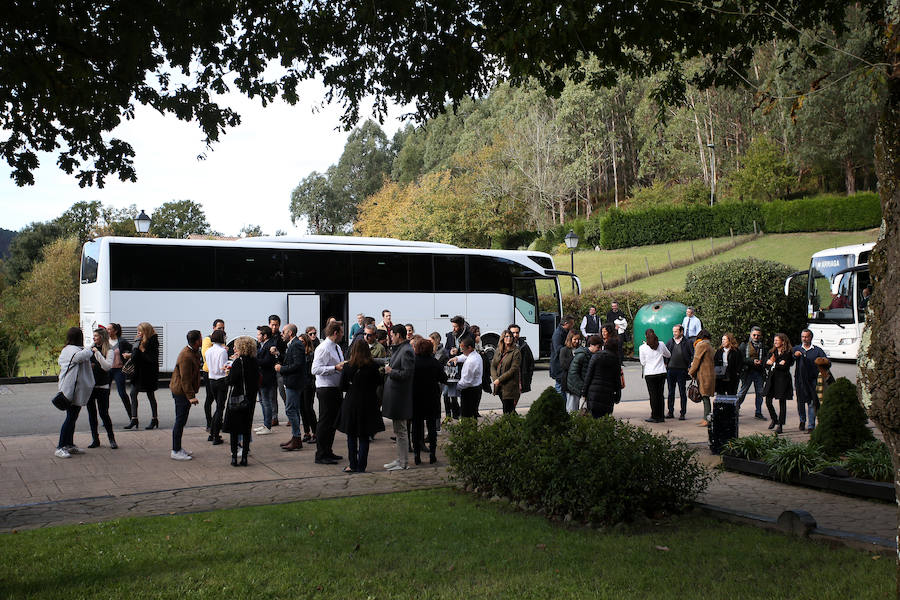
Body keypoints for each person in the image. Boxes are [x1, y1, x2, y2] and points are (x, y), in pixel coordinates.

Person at [338, 341, 385, 473]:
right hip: (368, 402)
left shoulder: (348, 366)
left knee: (351, 436)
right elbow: (379, 382)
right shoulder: (373, 366)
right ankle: (361, 466)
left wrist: (353, 387)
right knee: (364, 436)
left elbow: (342, 386)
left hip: (352, 402)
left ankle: (353, 464)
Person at [55, 327, 94, 458]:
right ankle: (60, 446)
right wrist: (91, 347)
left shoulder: (69, 349)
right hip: (70, 390)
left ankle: (69, 444)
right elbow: (82, 356)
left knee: (73, 418)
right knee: (70, 418)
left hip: (73, 389)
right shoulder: (71, 350)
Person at [310, 320, 346, 463]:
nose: (343, 334)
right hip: (326, 389)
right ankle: (321, 454)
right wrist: (335, 368)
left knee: (332, 422)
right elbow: (315, 369)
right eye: (342, 332)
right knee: (325, 422)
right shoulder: (324, 348)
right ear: (336, 333)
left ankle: (328, 450)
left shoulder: (335, 347)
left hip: (335, 388)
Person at [381, 324, 415, 471]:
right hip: (396, 396)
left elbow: (407, 374)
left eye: (392, 335)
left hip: (400, 397)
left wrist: (390, 371)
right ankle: (400, 459)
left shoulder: (407, 350)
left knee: (401, 431)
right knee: (398, 431)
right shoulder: (401, 349)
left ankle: (403, 462)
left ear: (398, 335)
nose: (391, 337)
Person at [224, 336, 260, 467]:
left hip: (237, 398)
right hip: (250, 398)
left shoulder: (238, 362)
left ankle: (234, 457)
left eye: (236, 346)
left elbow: (231, 381)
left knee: (234, 429)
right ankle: (244, 457)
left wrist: (227, 373)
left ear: (242, 347)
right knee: (246, 428)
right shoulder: (254, 361)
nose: (234, 348)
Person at [412, 337, 448, 464]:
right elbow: (444, 378)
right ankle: (432, 454)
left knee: (416, 427)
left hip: (416, 398)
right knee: (432, 428)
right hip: (431, 397)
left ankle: (417, 455)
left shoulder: (413, 362)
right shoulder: (434, 362)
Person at [169, 330, 202, 461]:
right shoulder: (186, 356)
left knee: (181, 421)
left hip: (183, 392)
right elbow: (185, 379)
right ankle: (175, 450)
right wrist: (190, 396)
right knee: (180, 421)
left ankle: (178, 448)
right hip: (181, 392)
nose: (202, 340)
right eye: (200, 338)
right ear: (196, 342)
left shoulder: (193, 352)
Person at [275, 324, 307, 452]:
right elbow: (291, 361)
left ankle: (297, 438)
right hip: (292, 382)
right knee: (293, 409)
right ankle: (295, 437)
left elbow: (298, 365)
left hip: (294, 383)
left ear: (290, 333)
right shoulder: (292, 344)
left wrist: (281, 369)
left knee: (290, 410)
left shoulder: (296, 344)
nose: (282, 334)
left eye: (284, 331)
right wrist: (278, 355)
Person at [125, 322, 160, 430]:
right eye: (138, 331)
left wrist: (142, 350)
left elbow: (152, 359)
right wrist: (132, 352)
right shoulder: (139, 340)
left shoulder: (153, 341)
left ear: (146, 331)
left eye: (140, 331)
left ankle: (154, 419)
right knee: (132, 393)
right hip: (139, 373)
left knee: (150, 395)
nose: (138, 333)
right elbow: (136, 356)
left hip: (149, 373)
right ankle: (134, 418)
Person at [86, 327, 117, 449]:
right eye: (93, 336)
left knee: (104, 413)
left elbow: (107, 367)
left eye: (96, 336)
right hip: (90, 386)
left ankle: (112, 439)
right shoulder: (89, 349)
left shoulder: (109, 351)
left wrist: (97, 354)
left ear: (102, 337)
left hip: (103, 386)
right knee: (92, 414)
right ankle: (95, 439)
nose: (94, 338)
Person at [792, 329, 827, 432]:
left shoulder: (817, 350)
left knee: (812, 402)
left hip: (813, 380)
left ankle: (811, 425)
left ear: (811, 337)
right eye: (803, 337)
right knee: (800, 402)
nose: (804, 339)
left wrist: (821, 362)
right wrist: (795, 356)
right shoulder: (797, 349)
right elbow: (788, 359)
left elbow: (826, 361)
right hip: (800, 380)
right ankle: (802, 420)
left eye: (806, 337)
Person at [581, 338, 621, 418]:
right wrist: (617, 395)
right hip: (608, 393)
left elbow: (589, 375)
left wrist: (584, 392)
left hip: (593, 392)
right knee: (604, 417)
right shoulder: (615, 360)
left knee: (593, 418)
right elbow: (617, 380)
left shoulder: (596, 356)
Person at [764, 333, 795, 434]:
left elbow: (784, 367)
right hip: (772, 379)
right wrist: (776, 364)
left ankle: (780, 424)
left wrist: (773, 363)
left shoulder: (788, 353)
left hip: (782, 380)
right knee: (768, 401)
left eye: (777, 340)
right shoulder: (772, 352)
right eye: (774, 340)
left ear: (783, 341)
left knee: (782, 402)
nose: (775, 342)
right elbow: (766, 364)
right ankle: (774, 418)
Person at [639, 328, 671, 423]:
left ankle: (654, 415)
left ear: (646, 336)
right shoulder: (661, 344)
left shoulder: (643, 347)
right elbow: (668, 355)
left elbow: (643, 362)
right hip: (661, 371)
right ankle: (661, 416)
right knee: (660, 394)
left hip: (650, 373)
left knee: (653, 395)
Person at [737, 327, 767, 419]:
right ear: (750, 335)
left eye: (758, 335)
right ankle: (735, 408)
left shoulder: (763, 346)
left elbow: (766, 358)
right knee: (742, 392)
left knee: (760, 393)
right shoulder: (744, 345)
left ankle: (758, 412)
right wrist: (752, 361)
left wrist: (762, 362)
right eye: (754, 335)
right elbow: (740, 358)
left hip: (759, 372)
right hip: (747, 372)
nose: (756, 337)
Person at [201, 319, 226, 430]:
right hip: (209, 372)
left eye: (223, 328)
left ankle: (217, 422)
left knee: (219, 401)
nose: (222, 330)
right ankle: (209, 422)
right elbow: (206, 354)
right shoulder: (207, 339)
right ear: (213, 328)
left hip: (217, 373)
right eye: (219, 328)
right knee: (210, 398)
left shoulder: (221, 340)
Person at [205, 329, 228, 445]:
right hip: (221, 380)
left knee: (217, 408)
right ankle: (215, 435)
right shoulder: (223, 351)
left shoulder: (208, 351)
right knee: (220, 408)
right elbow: (222, 367)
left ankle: (212, 433)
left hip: (211, 379)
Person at [665, 324, 693, 420]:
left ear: (681, 332)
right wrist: (665, 365)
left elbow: (692, 355)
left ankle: (682, 413)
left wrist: (690, 367)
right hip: (671, 370)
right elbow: (665, 354)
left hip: (682, 370)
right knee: (670, 392)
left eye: (676, 331)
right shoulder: (670, 342)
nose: (674, 333)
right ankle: (670, 411)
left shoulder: (687, 342)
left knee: (682, 392)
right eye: (673, 331)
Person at [491, 329, 523, 414]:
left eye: (510, 336)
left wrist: (499, 379)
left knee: (508, 410)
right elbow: (493, 365)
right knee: (509, 410)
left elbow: (513, 369)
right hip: (499, 386)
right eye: (506, 336)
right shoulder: (498, 350)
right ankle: (514, 425)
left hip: (510, 386)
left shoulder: (516, 352)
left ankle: (511, 426)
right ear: (503, 338)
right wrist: (495, 378)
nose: (508, 338)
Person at [688, 329, 715, 427]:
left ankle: (707, 419)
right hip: (709, 374)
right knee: (705, 397)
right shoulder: (709, 346)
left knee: (705, 397)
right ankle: (705, 418)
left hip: (703, 374)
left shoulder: (701, 345)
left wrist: (691, 372)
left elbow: (696, 360)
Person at [107, 323, 132, 422]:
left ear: (115, 331)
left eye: (109, 329)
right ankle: (106, 418)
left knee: (122, 393)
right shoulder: (104, 341)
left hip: (119, 370)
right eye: (106, 329)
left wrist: (128, 355)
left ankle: (132, 417)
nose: (107, 331)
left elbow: (134, 350)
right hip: (107, 370)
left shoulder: (122, 341)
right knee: (105, 394)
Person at [254, 325, 277, 435]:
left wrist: (253, 360)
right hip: (261, 378)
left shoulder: (270, 345)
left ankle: (267, 426)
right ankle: (265, 424)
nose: (257, 336)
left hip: (267, 378)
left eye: (259, 334)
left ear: (265, 335)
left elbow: (267, 362)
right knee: (263, 402)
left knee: (266, 402)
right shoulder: (263, 345)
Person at [568, 334, 601, 410]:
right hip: (577, 388)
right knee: (574, 410)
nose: (599, 350)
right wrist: (583, 389)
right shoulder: (581, 356)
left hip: (584, 388)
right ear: (591, 345)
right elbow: (573, 373)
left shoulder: (593, 355)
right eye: (598, 347)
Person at [454, 337, 483, 419]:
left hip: (469, 391)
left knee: (467, 416)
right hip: (476, 388)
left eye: (463, 349)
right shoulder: (476, 355)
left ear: (469, 348)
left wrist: (456, 387)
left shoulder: (471, 361)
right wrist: (457, 358)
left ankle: (467, 431)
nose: (462, 351)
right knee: (473, 415)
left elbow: (466, 382)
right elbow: (464, 356)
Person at [298, 332, 318, 443]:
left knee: (308, 408)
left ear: (306, 342)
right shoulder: (299, 353)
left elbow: (311, 372)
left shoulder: (311, 354)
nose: (300, 343)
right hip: (300, 384)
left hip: (309, 384)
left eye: (302, 341)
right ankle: (306, 432)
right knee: (302, 409)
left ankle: (315, 432)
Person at [269, 315, 287, 427]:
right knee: (272, 395)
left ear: (279, 325)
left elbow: (286, 355)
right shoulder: (267, 336)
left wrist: (278, 353)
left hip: (280, 368)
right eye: (272, 324)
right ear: (269, 324)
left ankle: (290, 415)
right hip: (270, 369)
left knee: (283, 393)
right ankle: (274, 417)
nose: (274, 327)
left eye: (276, 324)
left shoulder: (282, 337)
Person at [558, 330, 582, 412]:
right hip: (568, 381)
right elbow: (563, 365)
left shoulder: (580, 350)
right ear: (570, 339)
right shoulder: (564, 350)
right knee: (570, 404)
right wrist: (575, 364)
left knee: (576, 403)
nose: (577, 341)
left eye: (578, 339)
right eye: (575, 339)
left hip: (578, 380)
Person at [549, 315, 574, 392]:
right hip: (558, 364)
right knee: (559, 388)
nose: (572, 326)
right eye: (571, 324)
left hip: (561, 364)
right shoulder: (558, 334)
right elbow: (558, 349)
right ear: (566, 323)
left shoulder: (564, 332)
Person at [508, 324, 534, 393]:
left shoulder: (524, 346)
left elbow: (530, 363)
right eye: (513, 333)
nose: (515, 335)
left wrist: (528, 378)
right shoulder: (503, 346)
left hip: (519, 379)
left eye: (517, 333)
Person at [813, 357, 835, 425]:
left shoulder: (823, 376)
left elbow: (819, 390)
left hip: (824, 402)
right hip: (822, 401)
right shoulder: (827, 375)